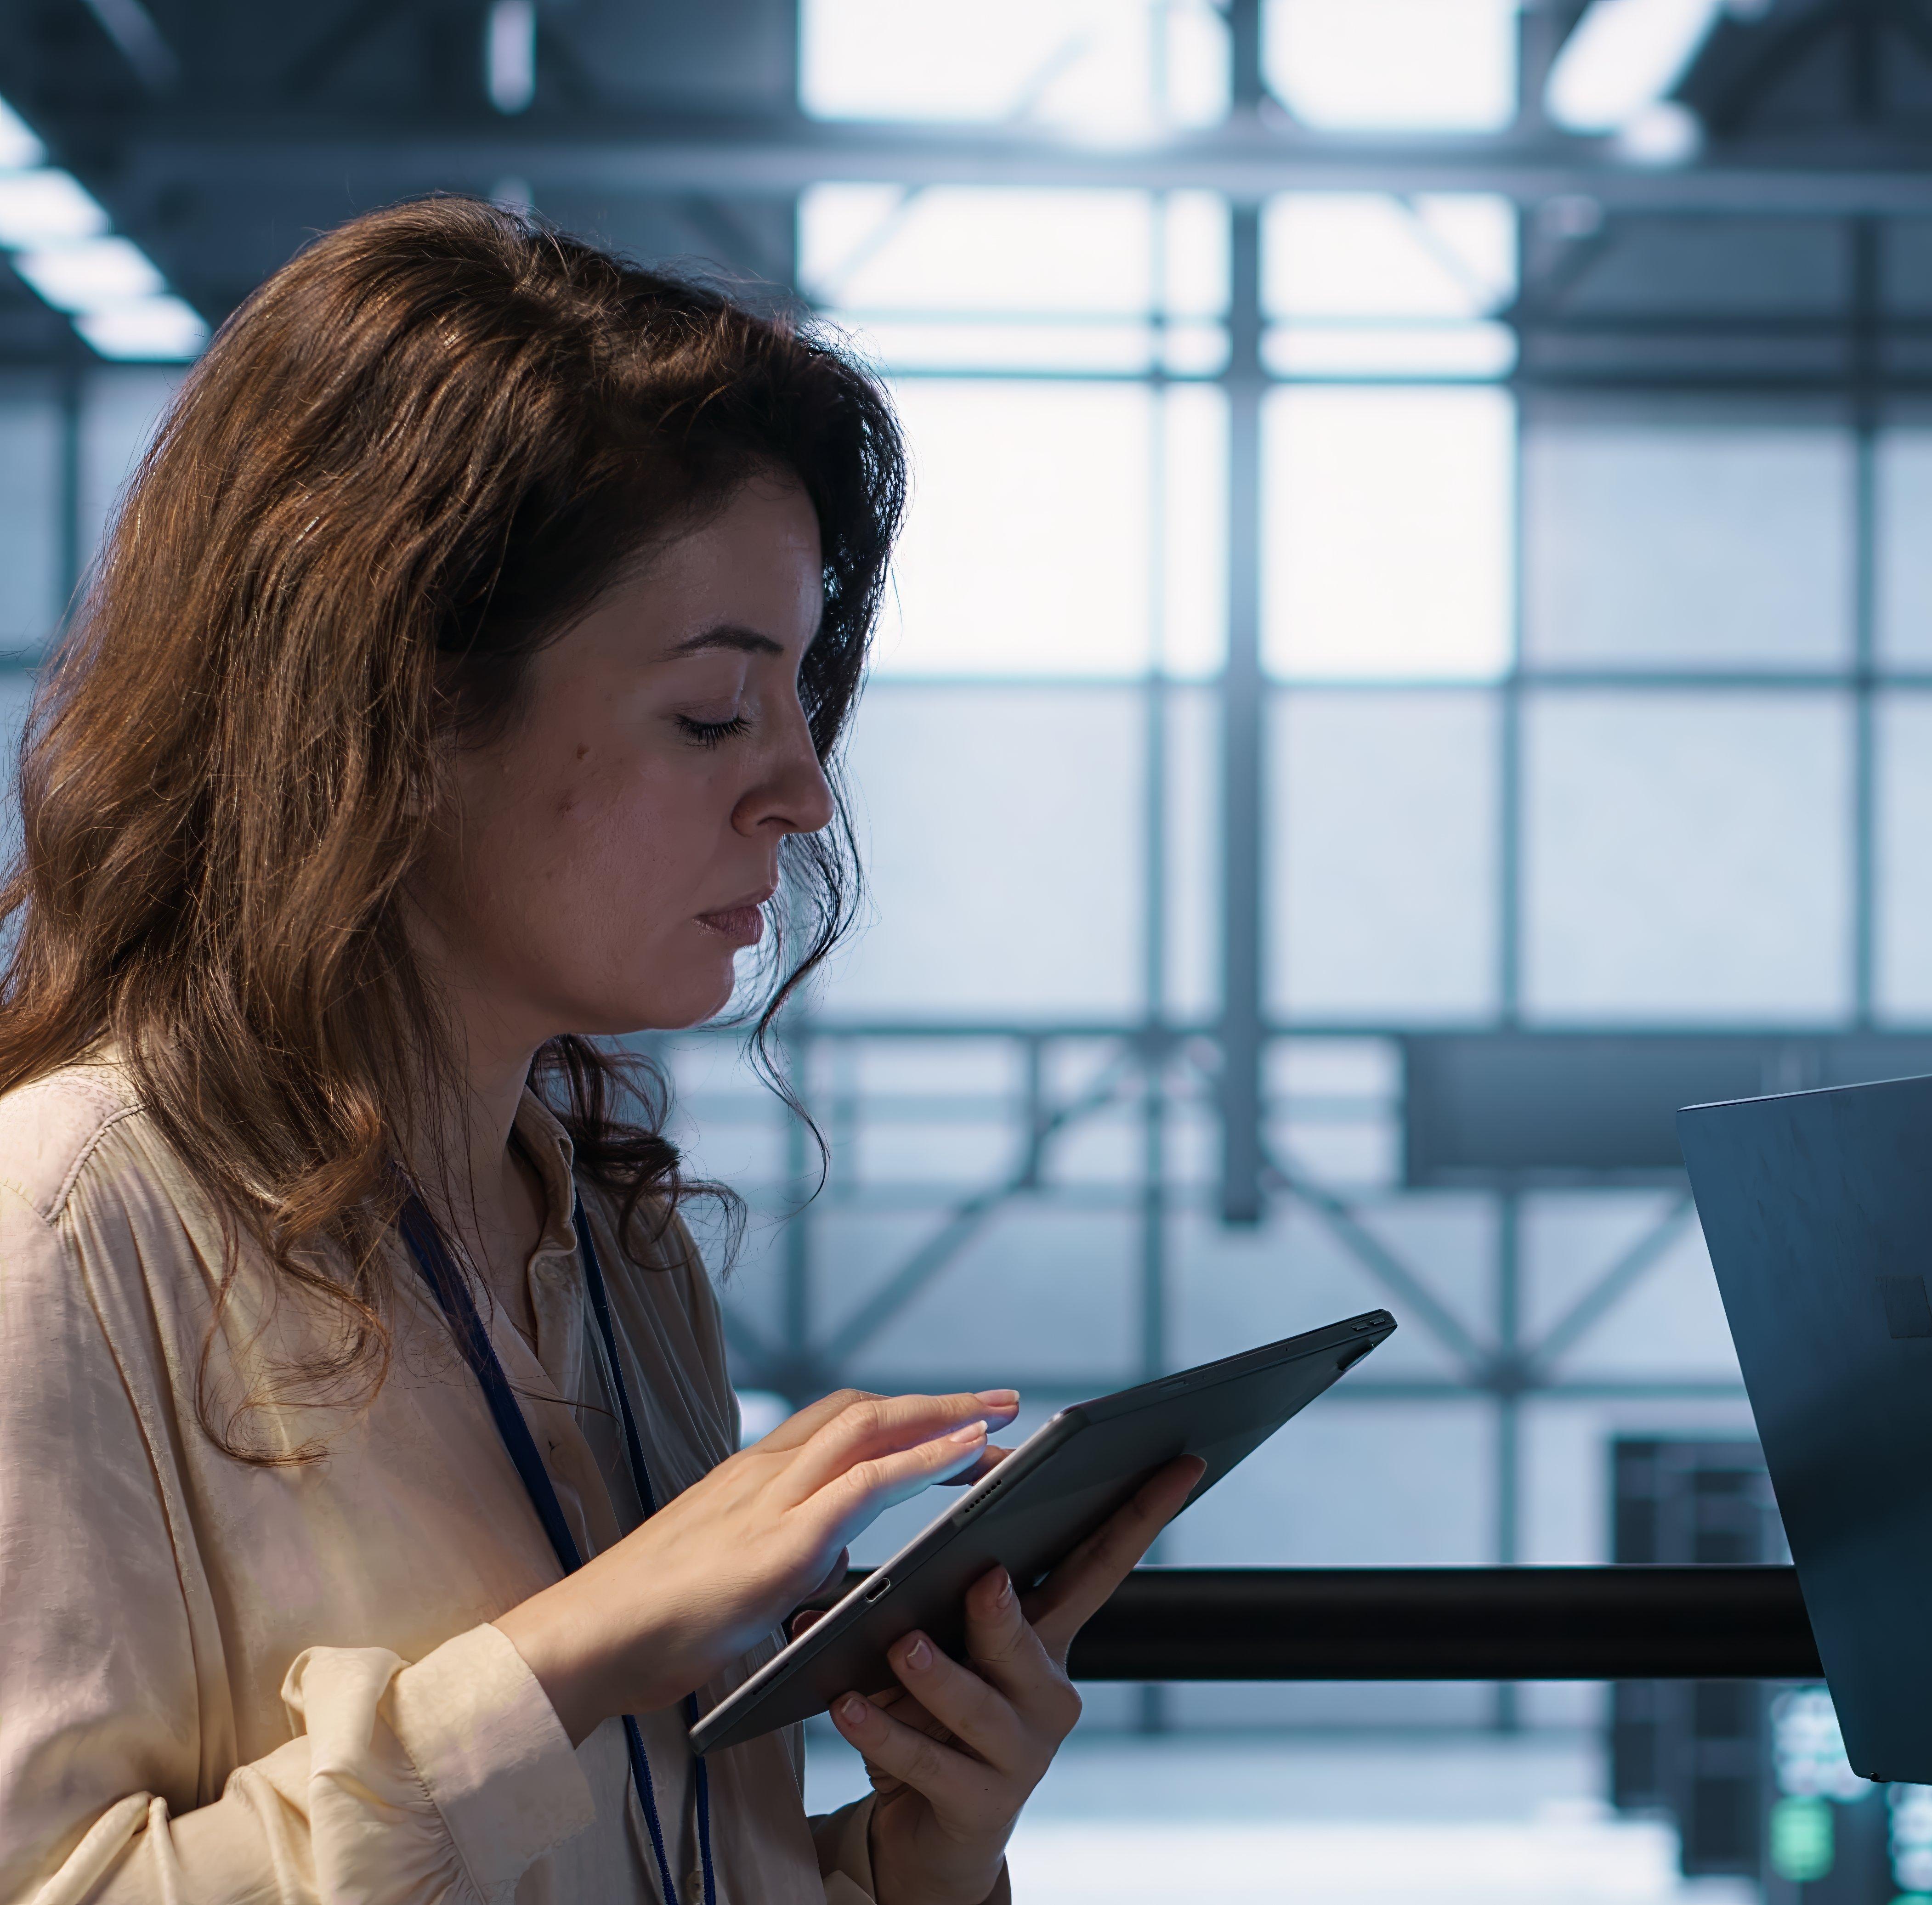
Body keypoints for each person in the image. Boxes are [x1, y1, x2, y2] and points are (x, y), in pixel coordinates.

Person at [0, 198, 1201, 1903]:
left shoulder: (614, 1244)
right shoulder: (64, 1222)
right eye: (715, 711)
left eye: (799, 705)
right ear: (399, 710)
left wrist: (907, 1864)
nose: (801, 791)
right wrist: (561, 1659)